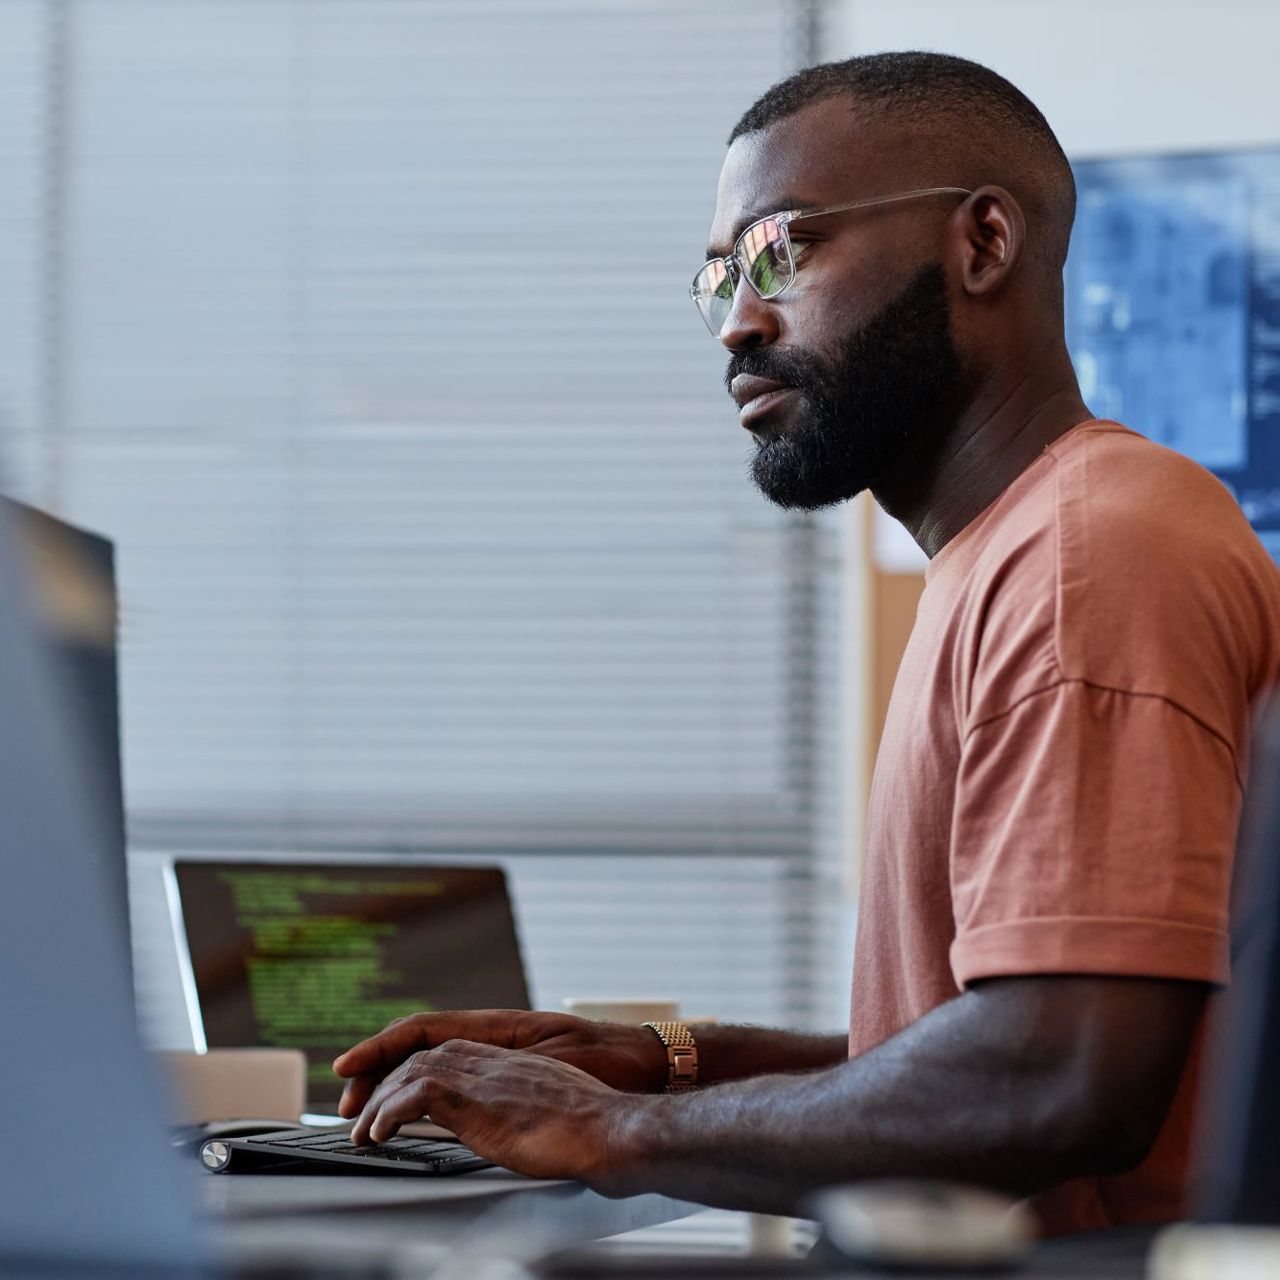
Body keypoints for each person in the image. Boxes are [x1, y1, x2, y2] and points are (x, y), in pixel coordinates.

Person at [332, 52, 1280, 1233]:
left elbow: (1056, 1077)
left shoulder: (1089, 554)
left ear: (980, 243)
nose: (736, 322)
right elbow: (968, 1033)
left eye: (780, 250)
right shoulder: (1013, 550)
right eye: (719, 275)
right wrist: (664, 1059)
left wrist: (607, 1130)